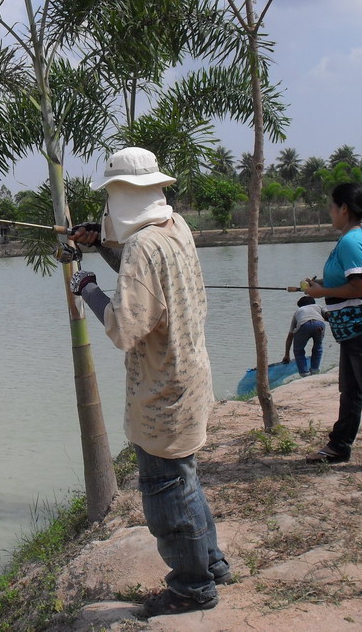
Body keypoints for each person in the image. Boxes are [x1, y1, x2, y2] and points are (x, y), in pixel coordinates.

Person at [69, 147, 229, 618]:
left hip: (161, 393)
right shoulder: (176, 229)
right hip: (191, 378)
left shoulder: (140, 248)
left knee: (166, 495)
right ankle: (212, 564)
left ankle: (192, 588)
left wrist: (88, 289)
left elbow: (124, 327)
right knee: (187, 481)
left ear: (117, 196)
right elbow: (147, 280)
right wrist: (101, 240)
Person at [301, 182, 362, 476]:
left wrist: (319, 294)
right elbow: (350, 283)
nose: (329, 212)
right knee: (350, 391)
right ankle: (339, 445)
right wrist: (322, 287)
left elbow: (360, 286)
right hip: (354, 329)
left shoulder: (353, 242)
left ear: (343, 208)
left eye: (331, 206)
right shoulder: (352, 239)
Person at [281, 295, 327, 376]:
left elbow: (290, 336)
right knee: (318, 346)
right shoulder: (318, 306)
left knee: (299, 350)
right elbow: (328, 314)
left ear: (300, 306)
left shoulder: (298, 311)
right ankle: (315, 370)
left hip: (304, 324)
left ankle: (304, 373)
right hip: (319, 324)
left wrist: (287, 354)